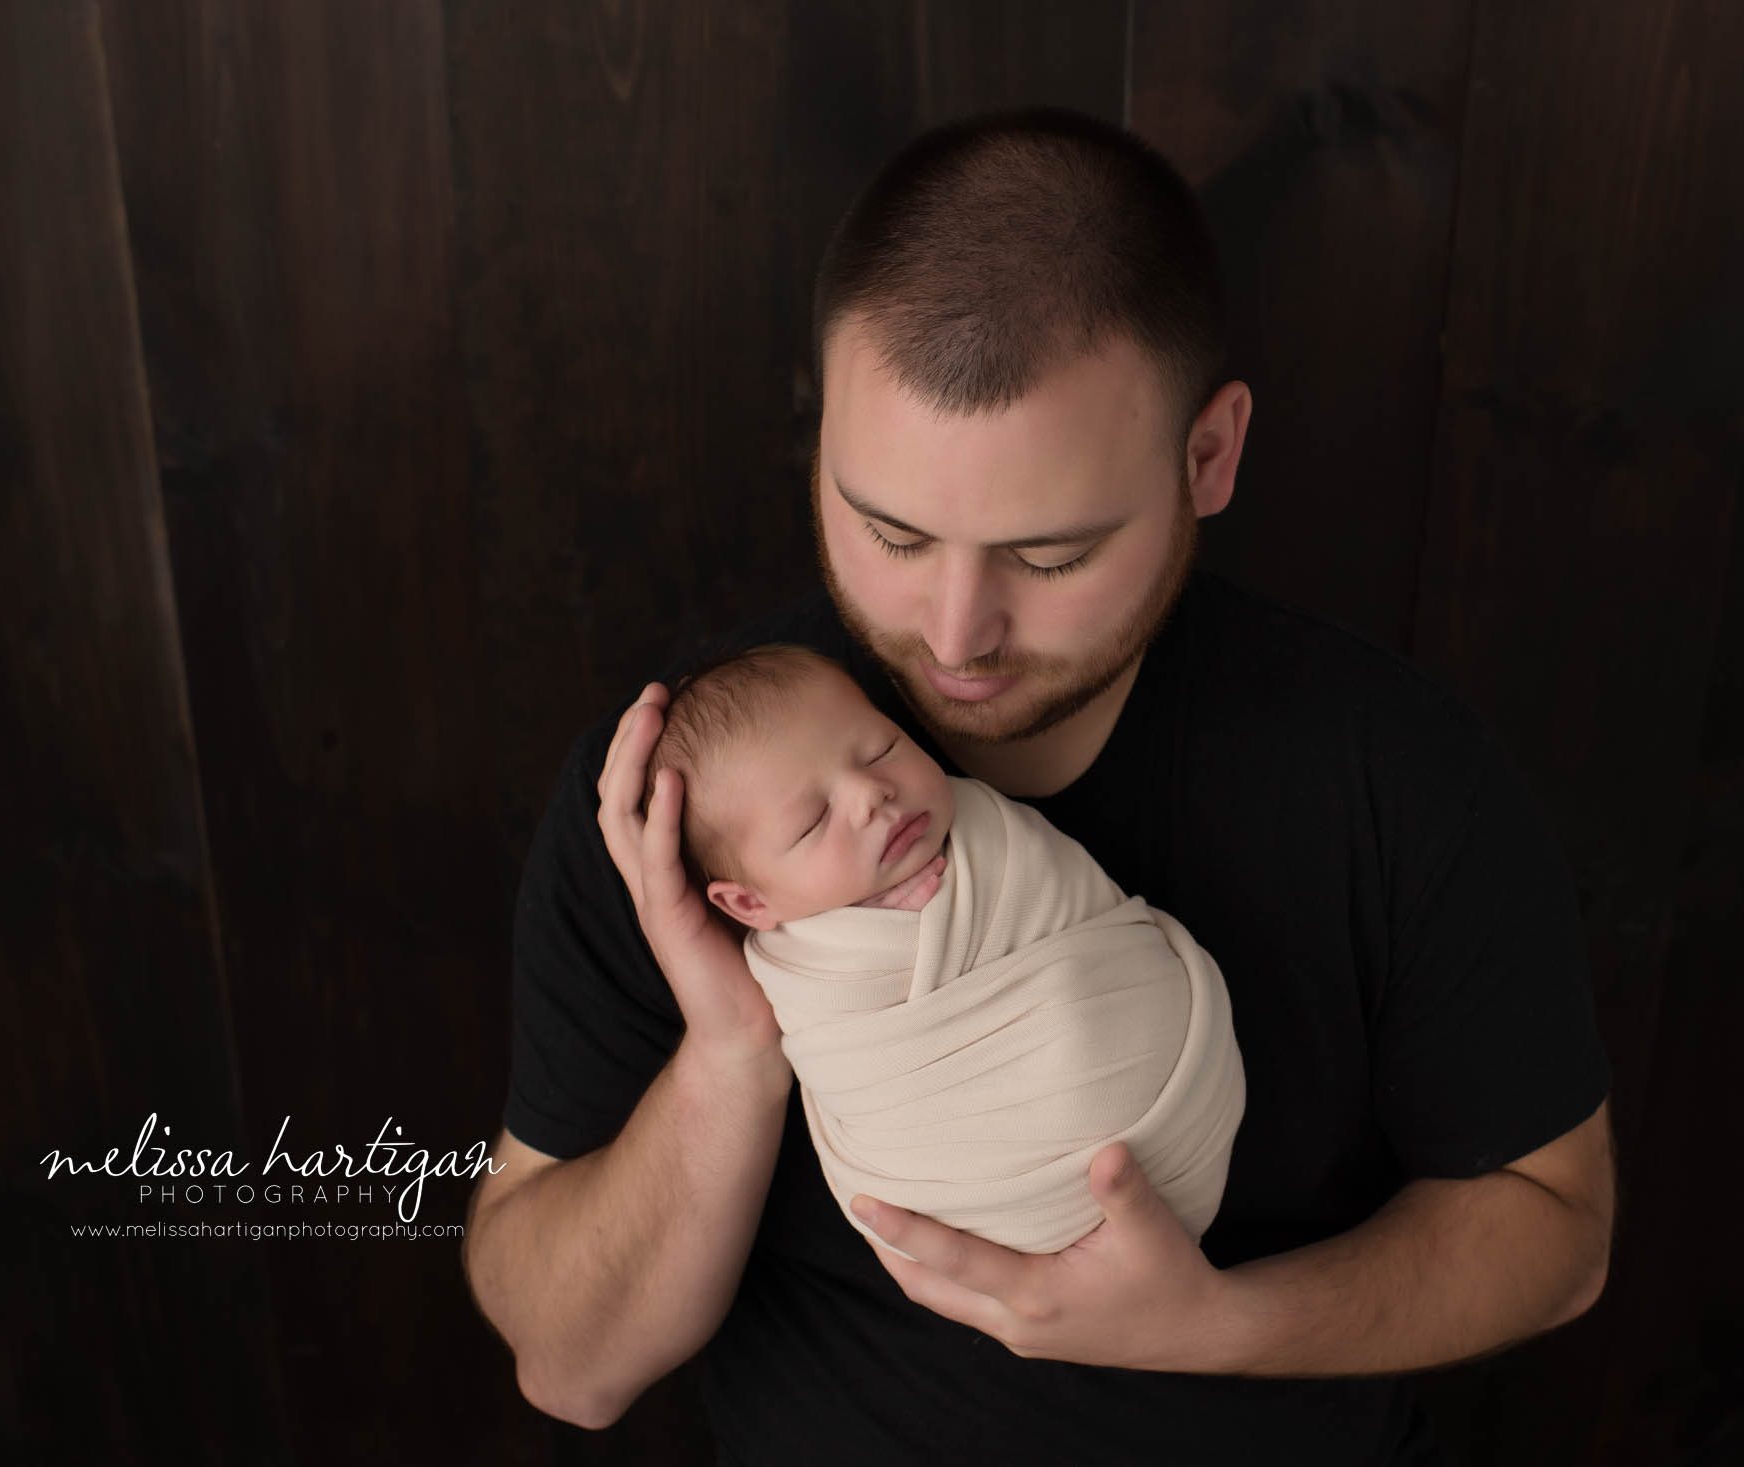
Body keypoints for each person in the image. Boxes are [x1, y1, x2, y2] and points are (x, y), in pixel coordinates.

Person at [462, 105, 1616, 1465]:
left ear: (1209, 455)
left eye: (1050, 554)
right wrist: (729, 1049)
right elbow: (571, 1366)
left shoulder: (1394, 775)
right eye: (891, 529)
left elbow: (1559, 1228)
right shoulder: (689, 801)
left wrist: (1212, 1321)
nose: (956, 632)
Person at [639, 641, 1247, 1258]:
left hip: (1171, 1089)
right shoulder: (802, 973)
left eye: (883, 750)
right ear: (749, 907)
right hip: (992, 1202)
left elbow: (1059, 890)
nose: (871, 793)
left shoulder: (987, 827)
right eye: (813, 821)